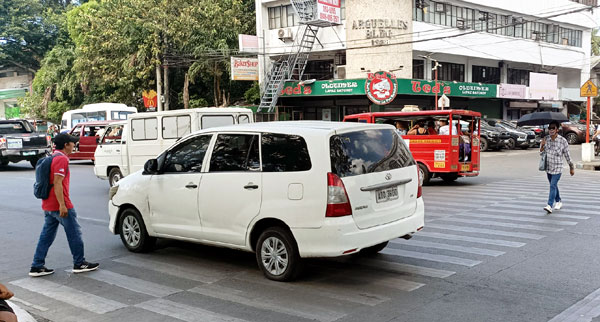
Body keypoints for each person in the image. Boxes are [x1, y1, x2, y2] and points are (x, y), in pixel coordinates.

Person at [30, 133, 99, 277]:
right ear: (66, 144)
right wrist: (62, 205)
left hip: (48, 205)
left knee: (46, 236)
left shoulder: (53, 157)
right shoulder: (61, 159)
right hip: (59, 205)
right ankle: (79, 263)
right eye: (72, 143)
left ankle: (37, 265)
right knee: (74, 234)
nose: (74, 145)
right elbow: (57, 182)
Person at [540, 121, 574, 214]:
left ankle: (549, 205)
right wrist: (542, 146)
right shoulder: (546, 139)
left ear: (557, 130)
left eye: (553, 128)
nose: (551, 130)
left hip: (558, 167)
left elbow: (567, 155)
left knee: (552, 185)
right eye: (549, 128)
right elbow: (541, 153)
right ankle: (558, 201)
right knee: (553, 185)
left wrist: (571, 167)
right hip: (548, 167)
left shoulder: (563, 141)